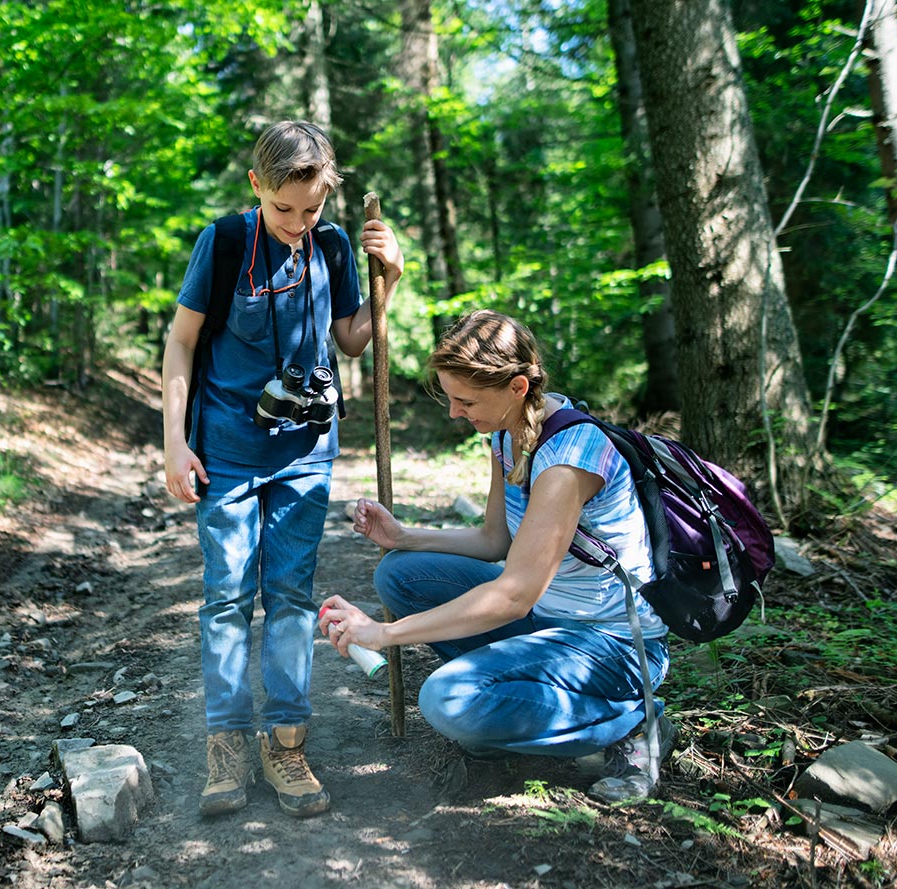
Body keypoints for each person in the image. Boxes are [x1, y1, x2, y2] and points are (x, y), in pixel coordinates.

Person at [317, 310, 675, 803]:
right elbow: (494, 541)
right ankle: (507, 711)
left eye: (466, 400)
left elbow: (514, 596)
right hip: (553, 624)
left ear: (518, 387)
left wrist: (385, 635)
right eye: (450, 398)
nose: (453, 413)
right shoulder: (507, 435)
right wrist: (403, 537)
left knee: (446, 701)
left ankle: (635, 722)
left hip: (612, 646)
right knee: (400, 573)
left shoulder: (572, 455)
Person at [162, 120, 403, 818]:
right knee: (228, 597)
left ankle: (287, 743)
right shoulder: (226, 242)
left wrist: (391, 276)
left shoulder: (329, 243)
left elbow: (354, 339)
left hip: (305, 454)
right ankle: (228, 743)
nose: (299, 223)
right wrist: (174, 444)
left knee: (292, 596)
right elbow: (180, 345)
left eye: (313, 208)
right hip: (229, 452)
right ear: (256, 186)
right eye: (284, 208)